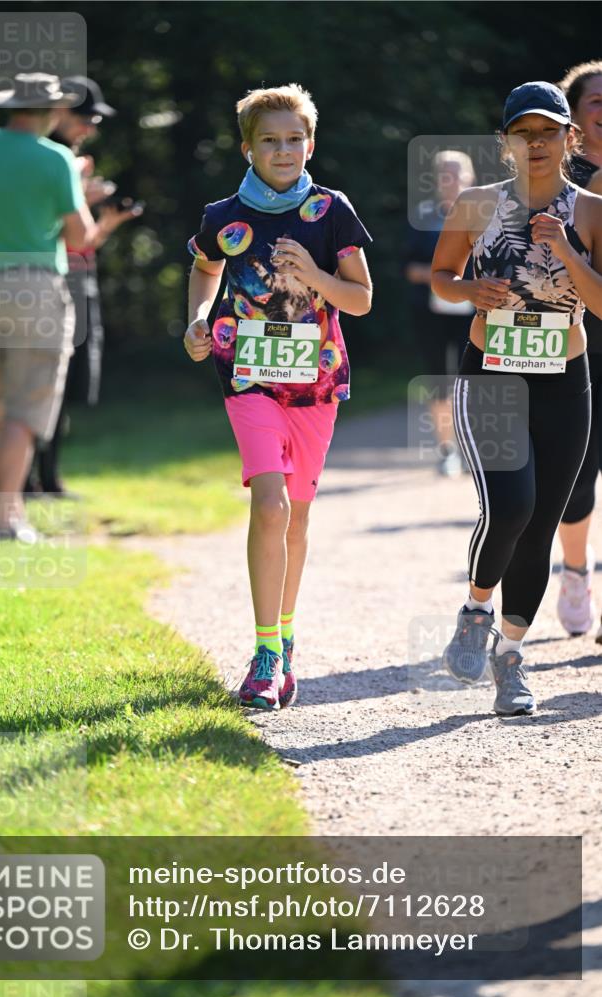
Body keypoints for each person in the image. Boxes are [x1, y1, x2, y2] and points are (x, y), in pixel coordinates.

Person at [184, 84, 372, 710]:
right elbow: (206, 269)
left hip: (315, 381)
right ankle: (266, 655)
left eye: (295, 139)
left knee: (298, 513)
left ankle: (285, 636)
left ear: (310, 143)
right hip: (248, 377)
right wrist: (197, 318)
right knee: (270, 506)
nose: (284, 149)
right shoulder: (222, 217)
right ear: (247, 147)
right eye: (270, 139)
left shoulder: (331, 210)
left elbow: (361, 299)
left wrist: (314, 275)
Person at [432, 81, 602, 716]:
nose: (536, 144)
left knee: (541, 526)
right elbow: (444, 276)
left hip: (566, 380)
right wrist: (468, 292)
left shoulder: (591, 211)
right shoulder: (477, 203)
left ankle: (511, 658)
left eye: (548, 131)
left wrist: (563, 248)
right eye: (523, 133)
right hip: (493, 373)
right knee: (510, 506)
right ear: (505, 142)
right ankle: (476, 609)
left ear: (569, 138)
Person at [0, 73, 97, 541]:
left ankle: (10, 508)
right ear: (52, 111)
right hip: (35, 285)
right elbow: (79, 237)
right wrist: (80, 191)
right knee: (27, 407)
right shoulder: (57, 158)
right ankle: (5, 518)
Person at [24, 76, 141, 497]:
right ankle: (28, 480)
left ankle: (48, 477)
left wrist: (102, 217)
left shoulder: (68, 161)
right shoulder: (48, 160)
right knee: (43, 381)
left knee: (66, 381)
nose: (90, 128)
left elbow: (83, 241)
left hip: (77, 276)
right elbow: (41, 231)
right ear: (59, 113)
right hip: (48, 281)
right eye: (86, 118)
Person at [555, 61, 602, 642]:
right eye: (596, 101)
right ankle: (573, 571)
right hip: (576, 338)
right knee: (578, 471)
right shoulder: (556, 181)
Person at [405, 151, 476, 477]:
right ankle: (447, 451)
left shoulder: (484, 216)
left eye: (457, 174)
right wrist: (437, 277)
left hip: (473, 313)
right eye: (445, 175)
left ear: (470, 178)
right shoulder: (423, 217)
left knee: (471, 382)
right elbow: (407, 267)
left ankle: (472, 450)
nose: (451, 181)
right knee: (439, 380)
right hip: (430, 314)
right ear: (436, 181)